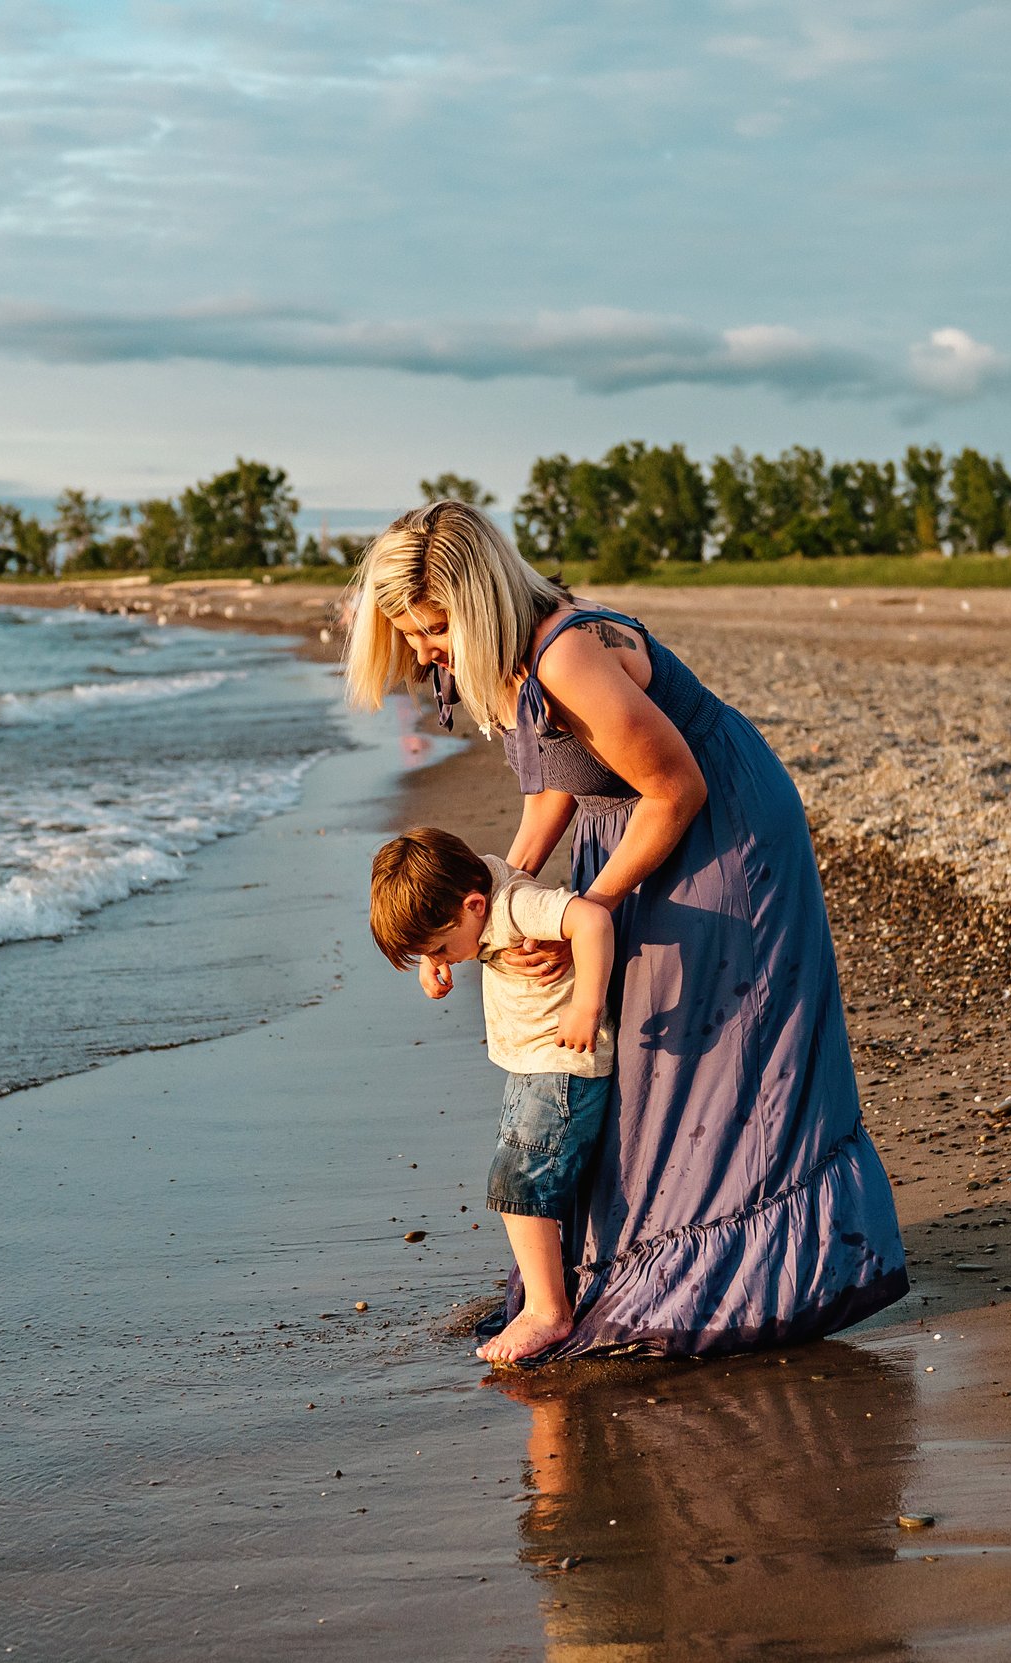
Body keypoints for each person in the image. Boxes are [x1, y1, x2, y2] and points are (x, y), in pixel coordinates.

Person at [344, 500, 907, 1362]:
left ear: (480, 601)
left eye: (431, 628)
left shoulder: (568, 653)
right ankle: (660, 1259)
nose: (424, 650)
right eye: (410, 633)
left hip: (719, 829)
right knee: (651, 1062)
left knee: (720, 1051)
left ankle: (757, 1272)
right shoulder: (515, 658)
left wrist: (591, 907)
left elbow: (677, 786)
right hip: (639, 824)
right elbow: (554, 782)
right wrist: (510, 893)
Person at [368, 826, 617, 1362]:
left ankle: (549, 1312)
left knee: (519, 1182)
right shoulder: (473, 890)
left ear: (474, 904)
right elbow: (456, 925)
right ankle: (549, 1292)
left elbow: (592, 919)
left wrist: (586, 1005)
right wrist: (434, 959)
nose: (444, 958)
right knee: (520, 1179)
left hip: (560, 1065)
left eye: (438, 948)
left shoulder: (516, 905)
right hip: (530, 1065)